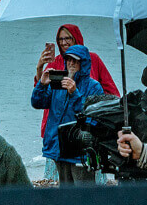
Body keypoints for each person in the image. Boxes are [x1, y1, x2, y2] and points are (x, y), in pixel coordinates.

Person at [31, 45, 104, 184]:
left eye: (75, 61)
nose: (71, 63)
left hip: (81, 150)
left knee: (83, 192)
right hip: (59, 147)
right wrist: (42, 84)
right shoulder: (58, 84)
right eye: (68, 59)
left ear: (83, 63)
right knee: (65, 190)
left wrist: (74, 93)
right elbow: (37, 103)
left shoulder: (93, 86)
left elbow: (92, 117)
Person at [34, 24, 119, 138]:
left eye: (67, 38)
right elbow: (41, 95)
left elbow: (111, 91)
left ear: (76, 38)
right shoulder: (54, 62)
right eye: (60, 39)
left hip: (82, 127)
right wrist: (39, 68)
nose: (63, 43)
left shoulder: (93, 60)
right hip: (55, 127)